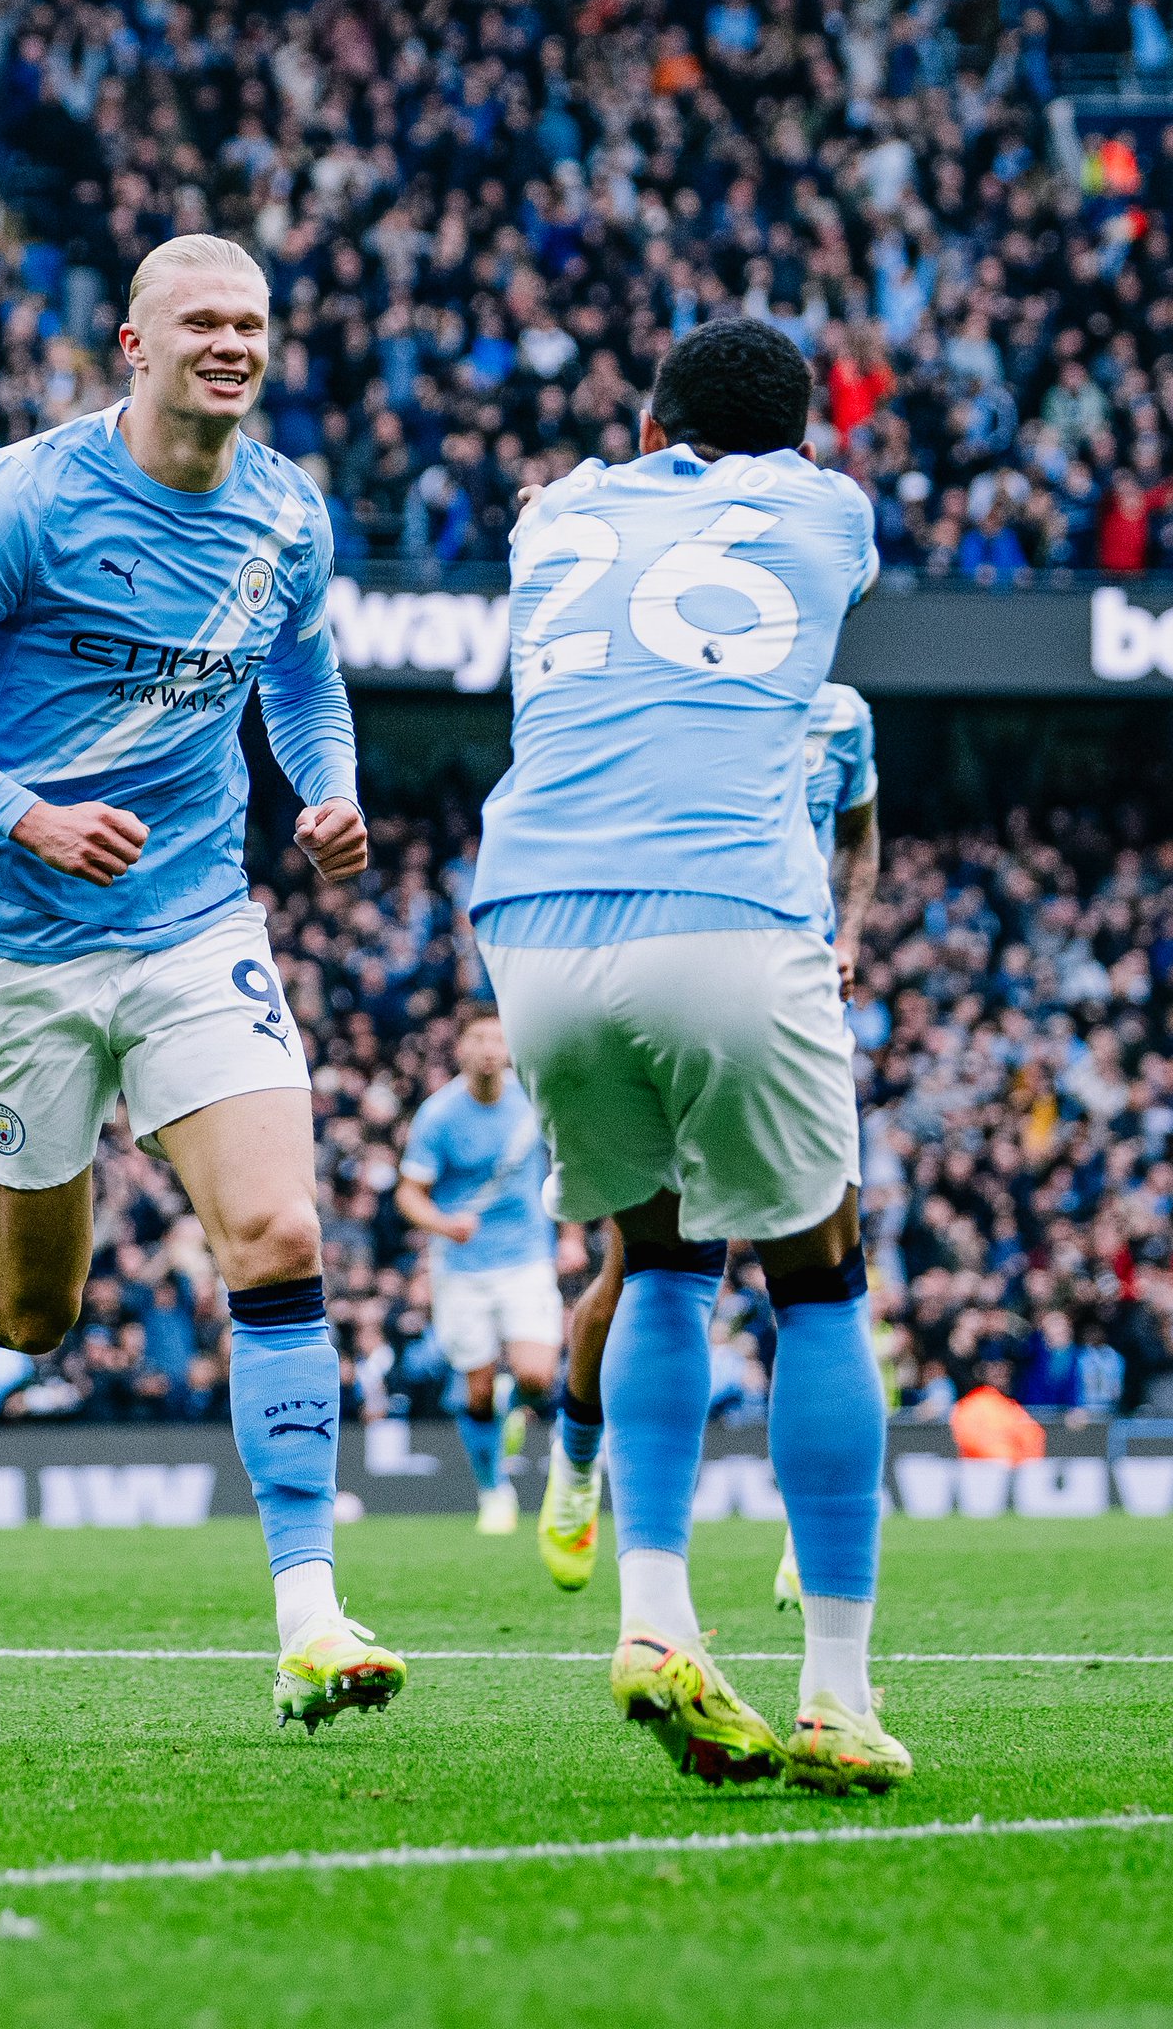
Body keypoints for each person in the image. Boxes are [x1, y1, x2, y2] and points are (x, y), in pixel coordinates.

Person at [0, 233, 406, 1732]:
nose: (232, 344)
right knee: (34, 1311)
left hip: (193, 923)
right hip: (18, 938)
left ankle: (307, 1613)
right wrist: (25, 812)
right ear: (134, 345)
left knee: (279, 1232)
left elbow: (302, 675)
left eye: (251, 323)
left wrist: (326, 789)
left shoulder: (288, 513)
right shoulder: (28, 497)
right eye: (200, 321)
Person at [470, 316, 909, 1795]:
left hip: (529, 921)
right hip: (723, 901)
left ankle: (654, 1618)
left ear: (649, 429)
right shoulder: (828, 507)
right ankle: (835, 1694)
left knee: (657, 1261)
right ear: (802, 440)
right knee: (818, 1278)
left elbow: (587, 510)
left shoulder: (552, 515)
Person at [538, 684, 883, 1605]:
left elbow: (857, 834)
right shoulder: (674, 688)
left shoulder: (841, 715)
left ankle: (809, 1526)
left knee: (823, 1261)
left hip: (793, 1000)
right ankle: (577, 1457)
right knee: (648, 1265)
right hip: (675, 981)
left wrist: (848, 933)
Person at [395, 1004, 577, 1537]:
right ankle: (493, 1490)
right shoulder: (439, 1115)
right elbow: (409, 1193)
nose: (488, 1049)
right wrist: (443, 1224)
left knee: (537, 1376)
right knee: (475, 1391)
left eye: (498, 1039)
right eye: (477, 1039)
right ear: (461, 1048)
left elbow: (567, 1164)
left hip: (526, 1257)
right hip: (462, 1266)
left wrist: (570, 1236)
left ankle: (511, 1406)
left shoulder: (533, 1099)